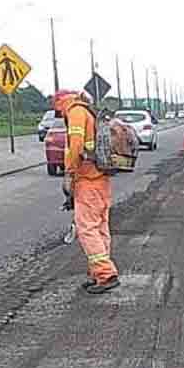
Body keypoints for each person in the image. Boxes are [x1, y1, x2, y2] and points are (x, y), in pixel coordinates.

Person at [53, 90, 120, 294]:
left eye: (57, 110)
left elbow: (76, 145)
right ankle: (98, 273)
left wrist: (69, 173)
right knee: (100, 227)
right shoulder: (88, 111)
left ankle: (105, 274)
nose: (59, 115)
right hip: (100, 178)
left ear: (60, 103)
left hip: (88, 179)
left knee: (87, 229)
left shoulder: (75, 112)